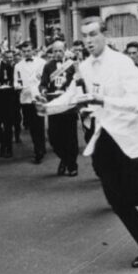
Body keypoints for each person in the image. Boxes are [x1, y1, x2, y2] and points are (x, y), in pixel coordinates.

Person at [40, 17, 138, 268]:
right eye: (85, 36)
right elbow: (73, 95)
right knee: (117, 200)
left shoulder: (122, 63)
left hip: (127, 137)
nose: (89, 40)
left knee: (137, 194)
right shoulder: (84, 66)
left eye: (93, 34)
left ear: (105, 35)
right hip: (103, 138)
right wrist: (48, 108)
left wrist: (103, 101)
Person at [40, 41, 79, 176]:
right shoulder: (48, 66)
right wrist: (44, 90)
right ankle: (64, 159)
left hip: (68, 106)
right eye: (55, 51)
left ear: (65, 50)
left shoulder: (71, 65)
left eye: (60, 51)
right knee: (54, 138)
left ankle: (72, 165)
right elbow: (43, 83)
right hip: (54, 105)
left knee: (70, 137)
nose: (57, 53)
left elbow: (78, 82)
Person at [14, 41, 47, 163]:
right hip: (26, 98)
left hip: (38, 97)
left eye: (29, 51)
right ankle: (38, 148)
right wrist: (18, 86)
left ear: (33, 50)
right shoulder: (18, 66)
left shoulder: (42, 63)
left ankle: (40, 150)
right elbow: (16, 82)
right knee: (32, 126)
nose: (27, 53)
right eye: (24, 51)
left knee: (39, 124)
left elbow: (45, 79)